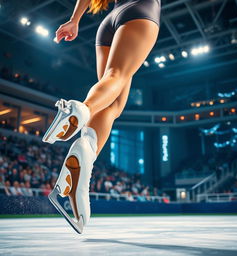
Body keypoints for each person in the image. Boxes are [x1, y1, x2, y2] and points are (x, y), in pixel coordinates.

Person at [43, 0, 161, 234]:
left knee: (112, 103)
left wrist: (75, 19)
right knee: (116, 77)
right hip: (142, 10)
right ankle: (79, 109)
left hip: (109, 22)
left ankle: (84, 155)